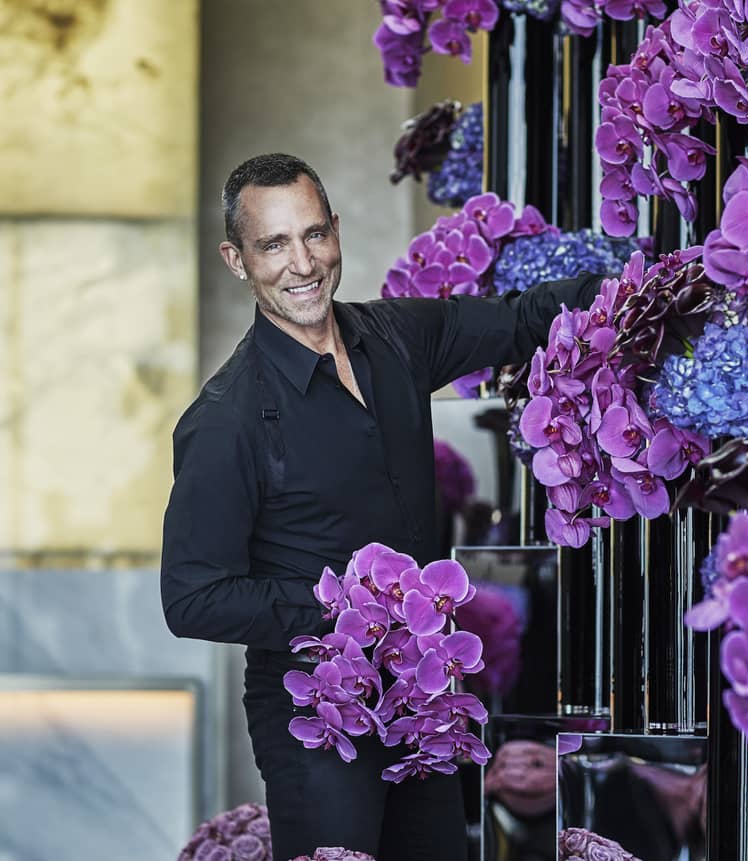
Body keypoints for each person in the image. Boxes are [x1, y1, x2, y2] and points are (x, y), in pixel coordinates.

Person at [160, 153, 602, 860]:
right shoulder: (225, 420)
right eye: (273, 244)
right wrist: (344, 611)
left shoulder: (394, 338)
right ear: (237, 260)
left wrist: (639, 292)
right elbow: (191, 598)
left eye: (313, 235)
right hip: (314, 712)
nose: (301, 263)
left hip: (422, 698)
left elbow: (521, 321)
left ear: (336, 231)